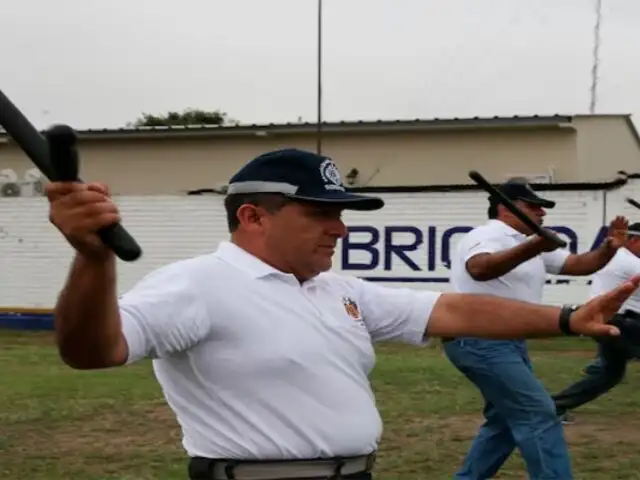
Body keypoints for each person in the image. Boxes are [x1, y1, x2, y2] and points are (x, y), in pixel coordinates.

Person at [46, 152, 637, 480]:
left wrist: (565, 318)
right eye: (321, 213)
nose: (340, 227)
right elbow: (94, 350)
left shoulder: (335, 288)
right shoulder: (196, 284)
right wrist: (93, 260)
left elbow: (451, 306)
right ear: (253, 217)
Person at [442, 177, 629, 480]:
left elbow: (580, 264)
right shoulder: (490, 233)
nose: (541, 213)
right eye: (533, 206)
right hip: (479, 339)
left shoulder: (528, 241)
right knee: (538, 413)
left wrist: (609, 247)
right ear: (505, 208)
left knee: (504, 420)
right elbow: (480, 268)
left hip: (506, 342)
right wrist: (534, 246)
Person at [552, 223, 640, 423]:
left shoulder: (617, 257)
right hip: (621, 323)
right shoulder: (630, 263)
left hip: (608, 322)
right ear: (634, 241)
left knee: (609, 374)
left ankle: (555, 406)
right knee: (609, 372)